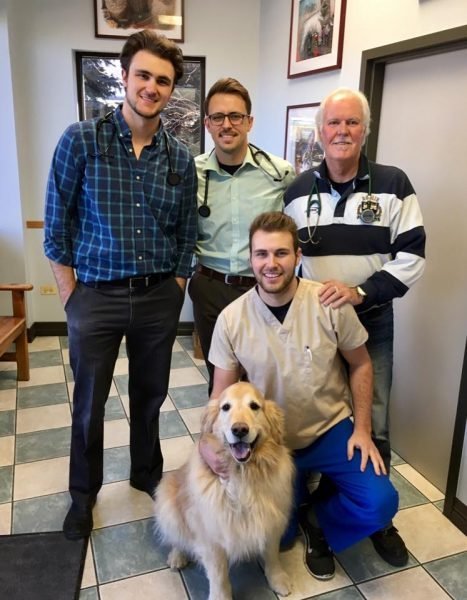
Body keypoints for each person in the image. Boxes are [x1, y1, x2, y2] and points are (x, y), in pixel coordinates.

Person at [43, 30, 198, 540]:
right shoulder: (81, 140)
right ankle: (83, 496)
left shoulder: (179, 158)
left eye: (163, 80)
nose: (152, 87)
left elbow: (186, 233)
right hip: (95, 297)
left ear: (171, 89)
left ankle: (146, 473)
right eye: (144, 75)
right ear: (125, 75)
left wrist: (176, 287)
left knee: (151, 396)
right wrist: (71, 298)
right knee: (89, 404)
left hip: (158, 296)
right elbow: (56, 226)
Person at [203, 211, 399, 580]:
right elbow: (220, 398)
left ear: (297, 255)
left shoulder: (329, 302)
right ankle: (299, 505)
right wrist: (206, 444)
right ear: (251, 258)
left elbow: (361, 365)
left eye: (281, 253)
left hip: (330, 430)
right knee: (278, 538)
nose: (271, 264)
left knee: (380, 503)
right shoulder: (231, 319)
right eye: (261, 254)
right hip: (271, 444)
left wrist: (362, 430)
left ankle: (318, 518)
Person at [284, 87, 426, 566]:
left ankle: (372, 519)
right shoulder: (297, 191)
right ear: (320, 132)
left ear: (365, 129)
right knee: (322, 415)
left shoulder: (393, 183)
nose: (342, 131)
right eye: (333, 123)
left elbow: (412, 256)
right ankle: (315, 514)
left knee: (373, 418)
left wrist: (361, 292)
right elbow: (290, 258)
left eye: (352, 122)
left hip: (371, 320)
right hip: (316, 327)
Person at [188, 77, 295, 393]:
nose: (227, 124)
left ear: (249, 121)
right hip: (210, 288)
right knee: (221, 381)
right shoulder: (192, 173)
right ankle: (221, 428)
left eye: (235, 116)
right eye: (218, 117)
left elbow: (296, 232)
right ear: (207, 124)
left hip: (263, 290)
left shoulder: (280, 173)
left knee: (264, 381)